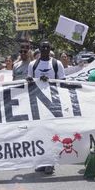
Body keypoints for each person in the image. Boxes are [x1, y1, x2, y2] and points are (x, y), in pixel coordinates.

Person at [30, 41, 63, 175]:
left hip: (52, 103)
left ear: (50, 49)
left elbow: (62, 82)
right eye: (42, 47)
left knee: (51, 134)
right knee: (39, 133)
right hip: (37, 104)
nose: (45, 49)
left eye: (47, 47)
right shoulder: (33, 65)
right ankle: (42, 162)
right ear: (39, 49)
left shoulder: (57, 64)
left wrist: (49, 82)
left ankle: (50, 163)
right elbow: (30, 82)